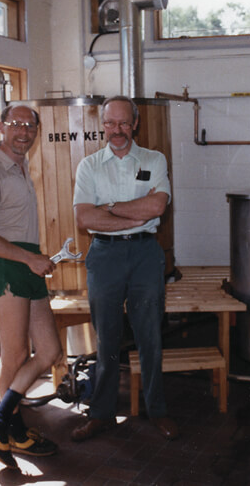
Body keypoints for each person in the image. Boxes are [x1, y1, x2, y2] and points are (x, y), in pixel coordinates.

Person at [71, 95, 178, 442]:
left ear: (135, 124)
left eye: (123, 123)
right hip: (104, 257)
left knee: (150, 336)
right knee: (107, 340)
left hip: (146, 254)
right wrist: (135, 213)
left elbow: (157, 206)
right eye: (110, 123)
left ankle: (157, 410)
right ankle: (101, 414)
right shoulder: (89, 166)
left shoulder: (154, 159)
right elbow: (85, 217)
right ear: (102, 125)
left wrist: (111, 209)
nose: (116, 130)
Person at [0, 104, 63, 468]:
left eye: (30, 126)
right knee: (14, 356)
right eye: (16, 125)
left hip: (27, 264)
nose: (24, 132)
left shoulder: (19, 166)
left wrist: (35, 259)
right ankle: (8, 430)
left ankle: (1, 422)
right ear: (1, 126)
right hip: (8, 266)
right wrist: (28, 259)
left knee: (50, 351)